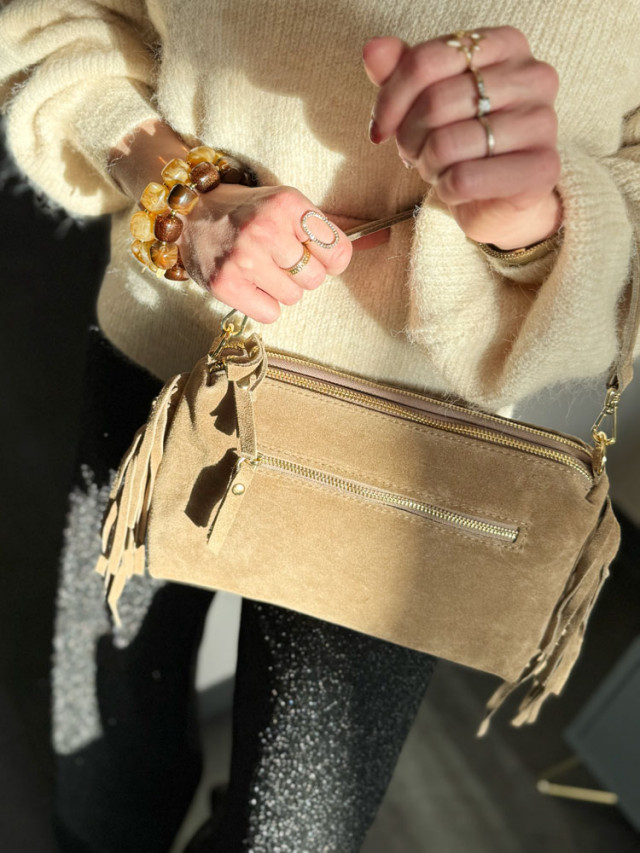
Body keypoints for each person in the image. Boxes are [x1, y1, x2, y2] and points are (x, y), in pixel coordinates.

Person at [1, 2, 639, 851]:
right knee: (102, 747)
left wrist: (532, 225)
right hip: (175, 365)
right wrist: (183, 194)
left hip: (419, 463)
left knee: (292, 835)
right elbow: (65, 23)